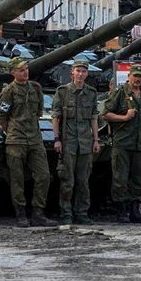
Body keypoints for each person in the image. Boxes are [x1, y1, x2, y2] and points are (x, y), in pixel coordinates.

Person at [0, 57, 57, 228]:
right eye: (21, 69)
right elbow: (2, 116)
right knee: (17, 178)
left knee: (43, 175)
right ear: (13, 72)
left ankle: (38, 213)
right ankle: (21, 214)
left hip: (35, 138)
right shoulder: (9, 91)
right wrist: (13, 132)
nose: (25, 72)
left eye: (26, 69)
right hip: (16, 139)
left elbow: (38, 112)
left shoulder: (36, 88)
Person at [102, 64, 141, 223]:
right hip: (123, 143)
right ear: (129, 76)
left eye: (140, 76)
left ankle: (135, 210)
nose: (137, 79)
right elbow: (105, 114)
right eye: (135, 76)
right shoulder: (120, 92)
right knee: (120, 178)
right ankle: (121, 211)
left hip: (140, 143)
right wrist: (124, 118)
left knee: (139, 178)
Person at [52, 59, 101, 225]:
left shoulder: (92, 93)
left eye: (83, 71)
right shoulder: (63, 91)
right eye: (78, 71)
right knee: (67, 180)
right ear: (72, 72)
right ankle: (66, 213)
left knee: (83, 181)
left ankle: (81, 212)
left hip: (86, 142)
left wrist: (96, 139)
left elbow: (94, 117)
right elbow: (56, 116)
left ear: (87, 73)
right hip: (68, 141)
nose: (80, 74)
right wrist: (57, 139)